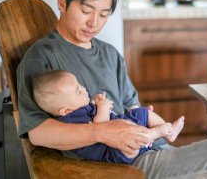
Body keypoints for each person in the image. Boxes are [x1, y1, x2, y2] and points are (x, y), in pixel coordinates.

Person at [17, 0, 207, 178]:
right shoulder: (42, 57)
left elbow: (132, 106)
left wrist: (155, 134)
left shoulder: (110, 54)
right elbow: (38, 133)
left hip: (146, 149)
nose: (94, 23)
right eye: (86, 11)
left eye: (103, 15)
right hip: (111, 166)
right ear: (62, 2)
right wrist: (102, 133)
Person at [33, 70, 185, 164]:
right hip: (115, 153)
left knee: (143, 113)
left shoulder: (78, 109)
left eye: (80, 85)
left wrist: (95, 103)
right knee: (130, 136)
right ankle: (155, 133)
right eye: (78, 91)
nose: (84, 88)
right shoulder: (70, 120)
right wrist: (103, 107)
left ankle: (169, 132)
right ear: (65, 110)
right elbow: (102, 126)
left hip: (125, 130)